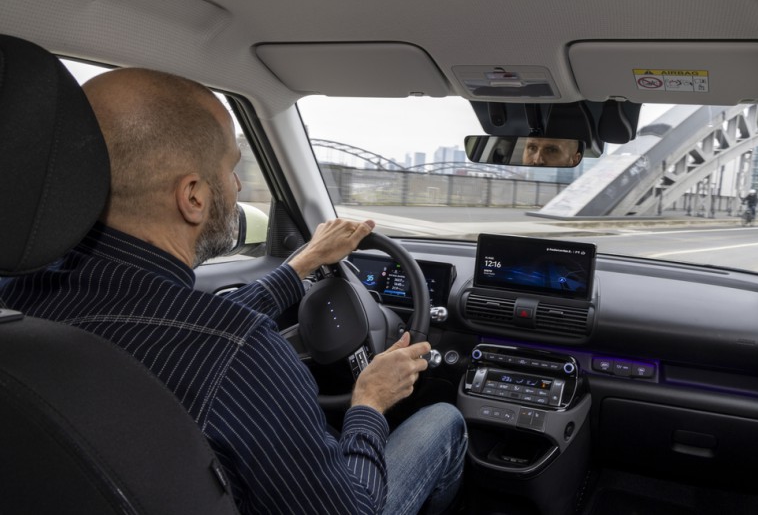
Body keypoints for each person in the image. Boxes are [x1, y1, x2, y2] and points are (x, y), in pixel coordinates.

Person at [0, 68, 466, 514]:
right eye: (231, 168)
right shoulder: (239, 355)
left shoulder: (17, 302)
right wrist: (369, 402)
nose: (239, 184)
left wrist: (301, 264)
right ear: (194, 197)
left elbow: (179, 330)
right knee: (444, 421)